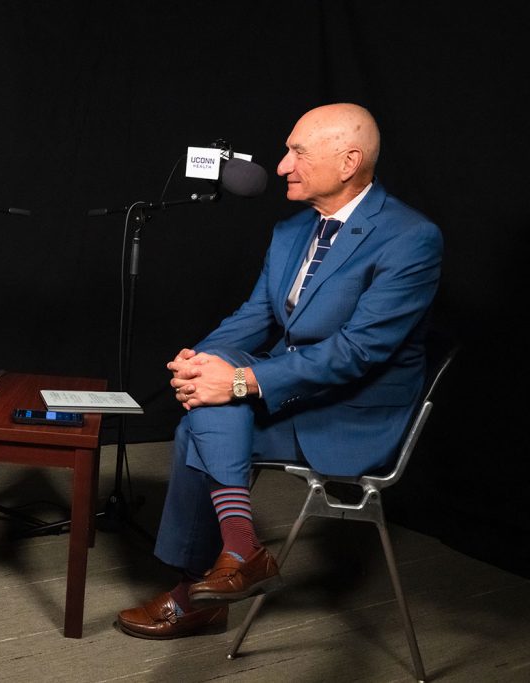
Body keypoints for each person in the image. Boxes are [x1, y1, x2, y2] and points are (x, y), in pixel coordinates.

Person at [116, 103, 442, 639]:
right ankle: (239, 552)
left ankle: (199, 588)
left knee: (199, 421)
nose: (282, 165)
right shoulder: (293, 231)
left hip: (353, 411)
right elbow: (257, 316)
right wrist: (199, 360)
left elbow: (358, 351)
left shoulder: (411, 238)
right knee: (211, 392)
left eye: (297, 152)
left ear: (348, 162)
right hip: (295, 390)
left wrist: (238, 381)